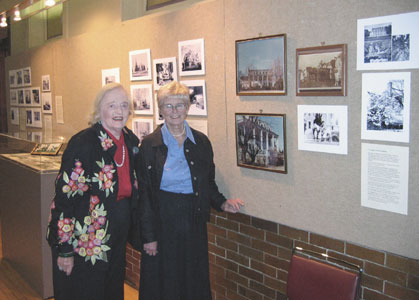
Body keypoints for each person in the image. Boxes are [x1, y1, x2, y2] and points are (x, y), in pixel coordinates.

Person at [137, 81, 244, 300]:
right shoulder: (149, 145)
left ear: (187, 108)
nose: (174, 111)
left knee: (192, 278)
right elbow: (144, 195)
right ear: (160, 109)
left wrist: (222, 203)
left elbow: (207, 183)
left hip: (192, 219)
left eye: (179, 105)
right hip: (162, 220)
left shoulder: (201, 142)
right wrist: (148, 237)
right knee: (163, 280)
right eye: (168, 106)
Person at [46, 83, 140, 300]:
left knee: (111, 291)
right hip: (84, 240)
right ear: (99, 111)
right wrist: (65, 248)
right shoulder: (84, 143)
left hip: (115, 236)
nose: (119, 111)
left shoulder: (130, 141)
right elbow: (65, 199)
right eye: (112, 105)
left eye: (124, 105)